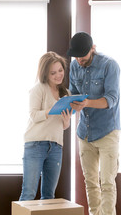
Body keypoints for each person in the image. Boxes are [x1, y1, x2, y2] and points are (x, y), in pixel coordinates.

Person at [67, 32, 121, 215]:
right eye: (76, 56)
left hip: (107, 132)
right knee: (90, 183)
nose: (79, 60)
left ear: (93, 49)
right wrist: (69, 105)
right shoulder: (74, 66)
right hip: (84, 133)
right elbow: (73, 94)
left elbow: (111, 99)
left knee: (107, 182)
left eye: (83, 56)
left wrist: (87, 103)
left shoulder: (109, 65)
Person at [19, 51, 72, 201]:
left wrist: (66, 121)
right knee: (28, 193)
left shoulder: (66, 93)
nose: (58, 75)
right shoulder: (38, 89)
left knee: (49, 196)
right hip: (35, 144)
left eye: (60, 70)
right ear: (45, 74)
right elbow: (34, 115)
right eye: (53, 73)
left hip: (56, 147)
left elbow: (62, 126)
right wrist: (51, 110)